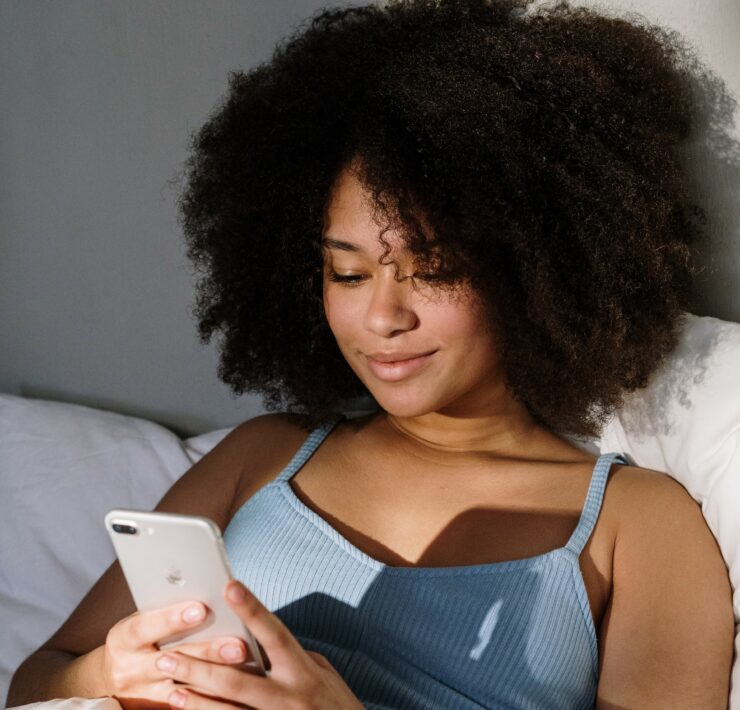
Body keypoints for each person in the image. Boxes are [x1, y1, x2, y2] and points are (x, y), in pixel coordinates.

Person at [9, 0, 736, 708]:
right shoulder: (263, 457)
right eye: (348, 273)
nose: (383, 316)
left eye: (436, 269)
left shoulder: (636, 522)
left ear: (533, 270)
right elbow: (36, 679)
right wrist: (108, 675)